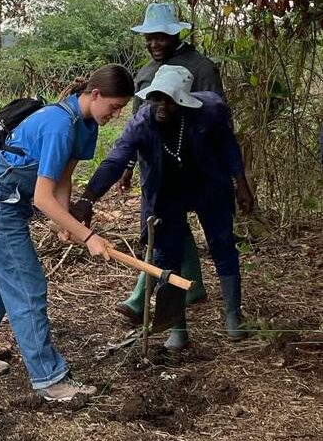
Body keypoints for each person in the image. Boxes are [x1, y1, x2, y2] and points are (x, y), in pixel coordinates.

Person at [0, 64, 135, 401]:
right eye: (115, 106)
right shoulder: (58, 125)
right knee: (26, 283)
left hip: (10, 200)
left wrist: (63, 220)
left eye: (122, 108)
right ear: (95, 94)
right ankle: (49, 378)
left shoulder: (87, 126)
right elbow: (41, 197)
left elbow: (62, 178)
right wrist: (87, 236)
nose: (117, 114)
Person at [74, 65, 254, 351]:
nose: (161, 105)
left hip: (209, 185)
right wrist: (87, 199)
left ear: (183, 101)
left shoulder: (211, 110)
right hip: (167, 191)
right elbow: (114, 161)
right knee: (167, 256)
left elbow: (227, 144)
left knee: (222, 244)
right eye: (156, 98)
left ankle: (233, 316)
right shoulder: (141, 122)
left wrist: (240, 182)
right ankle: (177, 327)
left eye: (169, 100)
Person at [110, 1, 225, 325]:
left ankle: (146, 296)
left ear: (175, 35)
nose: (154, 43)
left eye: (161, 36)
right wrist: (129, 166)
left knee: (177, 229)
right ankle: (185, 289)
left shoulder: (201, 67)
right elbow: (137, 126)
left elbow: (217, 118)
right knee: (162, 227)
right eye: (150, 37)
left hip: (194, 167)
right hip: (156, 167)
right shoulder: (146, 73)